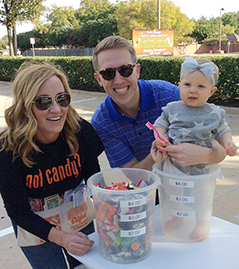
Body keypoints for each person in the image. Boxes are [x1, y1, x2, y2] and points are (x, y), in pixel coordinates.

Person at [0, 62, 104, 269]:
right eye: (43, 102)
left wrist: (109, 215)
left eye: (62, 99)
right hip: (35, 225)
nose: (56, 109)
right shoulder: (8, 151)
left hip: (78, 215)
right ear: (26, 107)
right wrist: (62, 238)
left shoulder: (80, 131)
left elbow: (95, 181)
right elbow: (18, 211)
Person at [91, 35, 226, 172]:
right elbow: (132, 174)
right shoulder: (102, 122)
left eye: (125, 69)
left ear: (137, 71)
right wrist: (154, 157)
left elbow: (220, 150)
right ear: (99, 79)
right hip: (146, 189)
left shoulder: (170, 96)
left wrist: (205, 155)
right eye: (108, 73)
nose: (119, 80)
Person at [151, 57, 237, 241]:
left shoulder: (214, 112)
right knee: (172, 194)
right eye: (187, 84)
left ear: (211, 91)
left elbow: (223, 129)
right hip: (172, 164)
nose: (192, 90)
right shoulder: (172, 109)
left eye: (200, 87)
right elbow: (160, 125)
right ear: (179, 85)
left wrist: (228, 142)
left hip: (201, 166)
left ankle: (200, 225)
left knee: (202, 197)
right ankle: (176, 218)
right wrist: (161, 137)